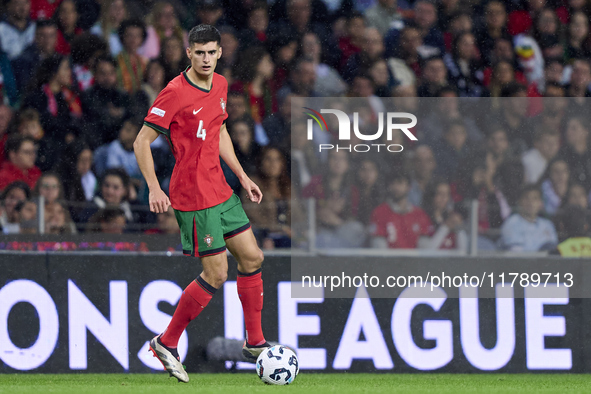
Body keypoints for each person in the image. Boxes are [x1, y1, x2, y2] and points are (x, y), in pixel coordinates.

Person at [134, 24, 268, 383]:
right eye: (200, 52)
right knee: (216, 273)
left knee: (253, 257)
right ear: (188, 52)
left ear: (219, 53)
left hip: (221, 189)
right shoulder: (174, 92)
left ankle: (255, 343)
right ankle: (166, 341)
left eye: (212, 52)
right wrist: (153, 188)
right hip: (193, 195)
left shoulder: (221, 85)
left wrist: (241, 176)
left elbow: (219, 130)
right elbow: (141, 142)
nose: (206, 59)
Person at [369, 172, 432, 249]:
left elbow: (425, 248)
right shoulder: (379, 212)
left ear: (409, 187)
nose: (396, 187)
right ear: (388, 186)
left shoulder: (420, 214)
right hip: (389, 260)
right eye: (392, 184)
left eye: (400, 183)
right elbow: (378, 245)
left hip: (414, 260)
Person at [500, 185, 558, 251]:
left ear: (540, 203)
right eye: (526, 198)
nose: (531, 202)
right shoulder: (511, 223)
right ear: (519, 201)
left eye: (535, 198)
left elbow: (553, 250)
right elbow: (515, 253)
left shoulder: (548, 224)